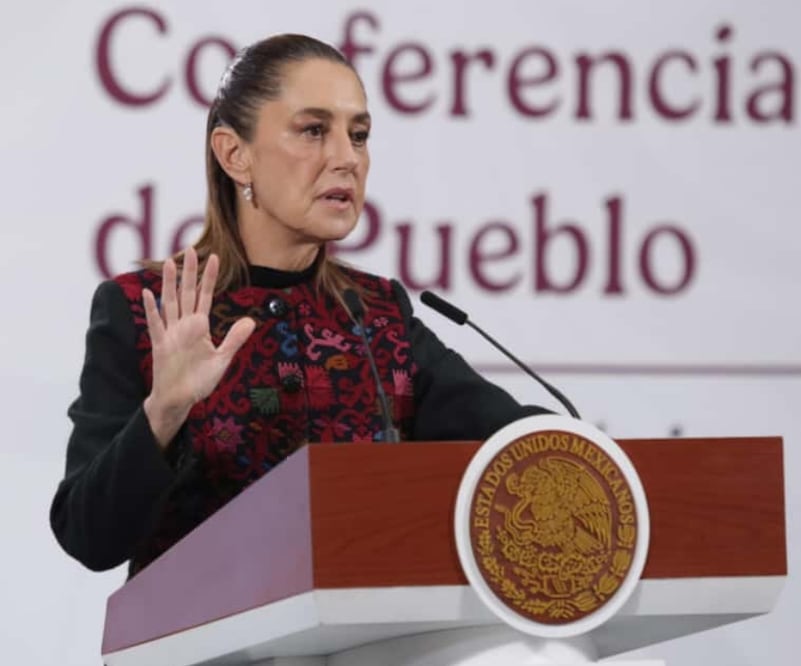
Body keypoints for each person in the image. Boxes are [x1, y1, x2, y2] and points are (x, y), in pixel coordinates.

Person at [50, 34, 546, 579]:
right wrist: (164, 411)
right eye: (313, 130)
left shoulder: (377, 315)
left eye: (359, 135)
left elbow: (523, 444)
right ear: (234, 154)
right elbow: (87, 536)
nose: (347, 158)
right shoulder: (144, 311)